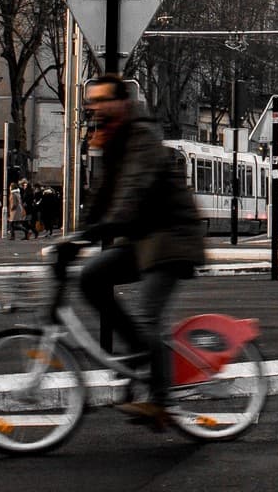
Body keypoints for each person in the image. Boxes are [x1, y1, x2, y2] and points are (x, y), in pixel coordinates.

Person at [72, 75, 205, 429]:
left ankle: (160, 400)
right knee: (91, 277)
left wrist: (101, 229)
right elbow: (102, 194)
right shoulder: (111, 140)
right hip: (144, 239)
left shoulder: (142, 137)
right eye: (91, 100)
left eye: (101, 99)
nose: (94, 106)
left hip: (172, 238)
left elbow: (133, 190)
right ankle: (137, 353)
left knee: (148, 316)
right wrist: (77, 234)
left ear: (121, 103)